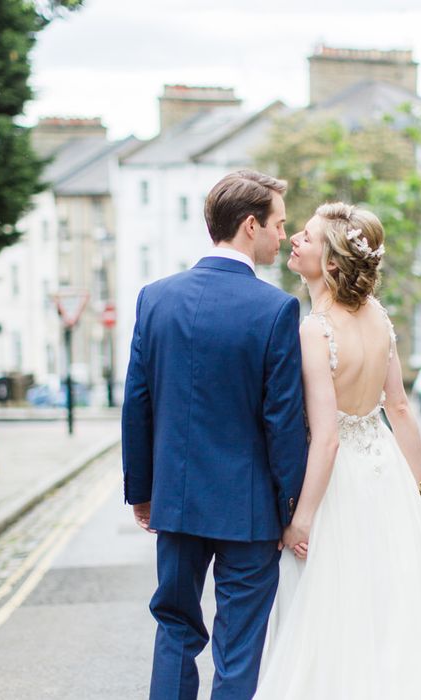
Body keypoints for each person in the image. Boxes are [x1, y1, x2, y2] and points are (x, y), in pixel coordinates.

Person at [254, 202, 421, 699]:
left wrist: (303, 518)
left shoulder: (314, 330)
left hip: (337, 481)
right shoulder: (379, 318)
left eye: (308, 237)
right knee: (390, 601)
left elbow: (327, 436)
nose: (294, 239)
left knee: (333, 609)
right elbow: (399, 410)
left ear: (333, 263)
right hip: (384, 473)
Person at [122, 170, 309, 700]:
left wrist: (143, 491)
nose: (282, 236)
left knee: (175, 628)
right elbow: (282, 422)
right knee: (238, 643)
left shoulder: (155, 298)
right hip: (249, 513)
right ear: (250, 226)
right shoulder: (275, 309)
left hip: (177, 502)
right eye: (278, 224)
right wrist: (289, 506)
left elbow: (138, 402)